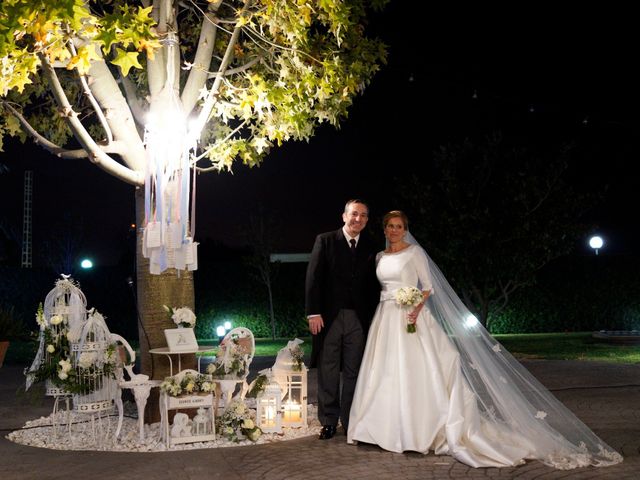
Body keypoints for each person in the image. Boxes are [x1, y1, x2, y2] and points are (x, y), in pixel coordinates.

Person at [347, 210, 623, 469]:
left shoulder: (415, 252)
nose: (394, 230)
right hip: (385, 318)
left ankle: (416, 430)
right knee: (384, 371)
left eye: (399, 226)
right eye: (390, 226)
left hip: (411, 318)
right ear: (384, 229)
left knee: (416, 370)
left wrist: (416, 307)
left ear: (405, 230)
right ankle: (382, 428)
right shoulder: (380, 257)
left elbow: (428, 287)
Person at [305, 199, 380, 440]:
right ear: (344, 216)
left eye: (363, 215)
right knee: (328, 369)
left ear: (367, 220)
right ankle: (328, 421)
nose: (358, 219)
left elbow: (373, 285)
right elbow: (313, 278)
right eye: (354, 214)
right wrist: (313, 312)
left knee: (353, 370)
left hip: (359, 318)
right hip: (329, 318)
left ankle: (350, 421)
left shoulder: (372, 246)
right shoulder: (325, 240)